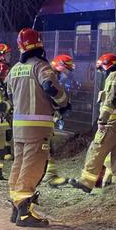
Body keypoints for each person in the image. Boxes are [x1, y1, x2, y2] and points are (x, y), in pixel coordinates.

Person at [6, 28, 69, 227]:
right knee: (33, 166)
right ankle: (25, 212)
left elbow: (9, 95)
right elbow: (51, 87)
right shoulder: (41, 67)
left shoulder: (15, 69)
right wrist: (63, 103)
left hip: (18, 127)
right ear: (40, 44)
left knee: (19, 163)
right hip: (38, 127)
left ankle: (16, 208)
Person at [69, 53, 116, 193]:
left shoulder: (114, 76)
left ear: (107, 66)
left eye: (102, 69)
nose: (103, 72)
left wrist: (102, 119)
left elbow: (111, 98)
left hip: (112, 123)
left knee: (96, 150)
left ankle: (86, 182)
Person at [41, 54, 75, 188]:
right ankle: (49, 175)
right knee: (46, 146)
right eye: (67, 69)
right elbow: (49, 94)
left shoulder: (50, 74)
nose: (68, 73)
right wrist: (63, 104)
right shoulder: (50, 75)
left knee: (47, 146)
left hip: (44, 117)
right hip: (41, 117)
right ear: (60, 66)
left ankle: (49, 174)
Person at [0, 43, 14, 161]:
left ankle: (6, 151)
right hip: (2, 100)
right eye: (8, 54)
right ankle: (4, 152)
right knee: (4, 127)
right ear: (1, 55)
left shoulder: (4, 66)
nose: (9, 56)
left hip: (6, 99)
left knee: (7, 127)